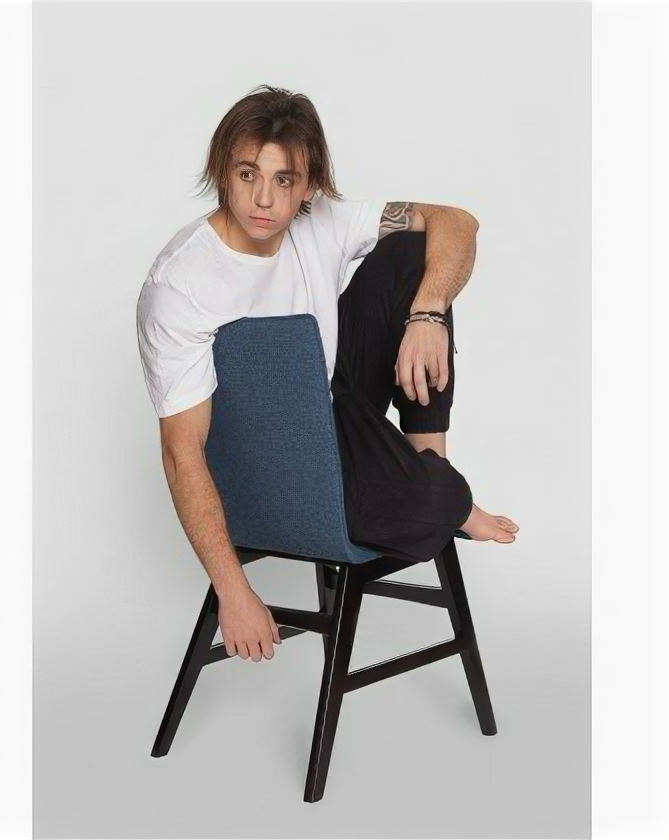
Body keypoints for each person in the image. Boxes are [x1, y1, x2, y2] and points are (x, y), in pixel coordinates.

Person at [136, 85, 519, 664]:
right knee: (429, 502)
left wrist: (428, 313)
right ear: (223, 172)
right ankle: (438, 492)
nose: (263, 199)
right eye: (247, 175)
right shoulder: (181, 283)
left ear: (308, 187)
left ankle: (428, 467)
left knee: (410, 253)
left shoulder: (321, 221)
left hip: (332, 409)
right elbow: (181, 451)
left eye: (284, 180)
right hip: (270, 458)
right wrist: (233, 591)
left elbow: (457, 221)